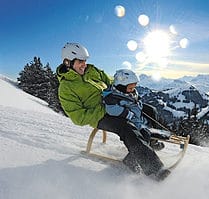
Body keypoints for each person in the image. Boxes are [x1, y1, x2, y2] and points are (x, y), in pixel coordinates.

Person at [56, 42, 170, 181]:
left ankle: (147, 144)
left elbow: (111, 81)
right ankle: (154, 169)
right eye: (80, 62)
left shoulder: (92, 70)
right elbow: (77, 117)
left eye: (85, 61)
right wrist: (105, 108)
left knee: (149, 110)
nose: (84, 65)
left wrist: (123, 87)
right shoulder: (66, 87)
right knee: (127, 127)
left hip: (115, 102)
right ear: (68, 62)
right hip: (100, 116)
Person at [102, 69, 165, 150]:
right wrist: (126, 113)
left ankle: (153, 142)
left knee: (151, 114)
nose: (133, 90)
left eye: (134, 87)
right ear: (121, 86)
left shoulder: (129, 93)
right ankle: (137, 154)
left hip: (137, 117)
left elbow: (136, 102)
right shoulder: (112, 97)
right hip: (129, 120)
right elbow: (111, 109)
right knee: (144, 134)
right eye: (130, 88)